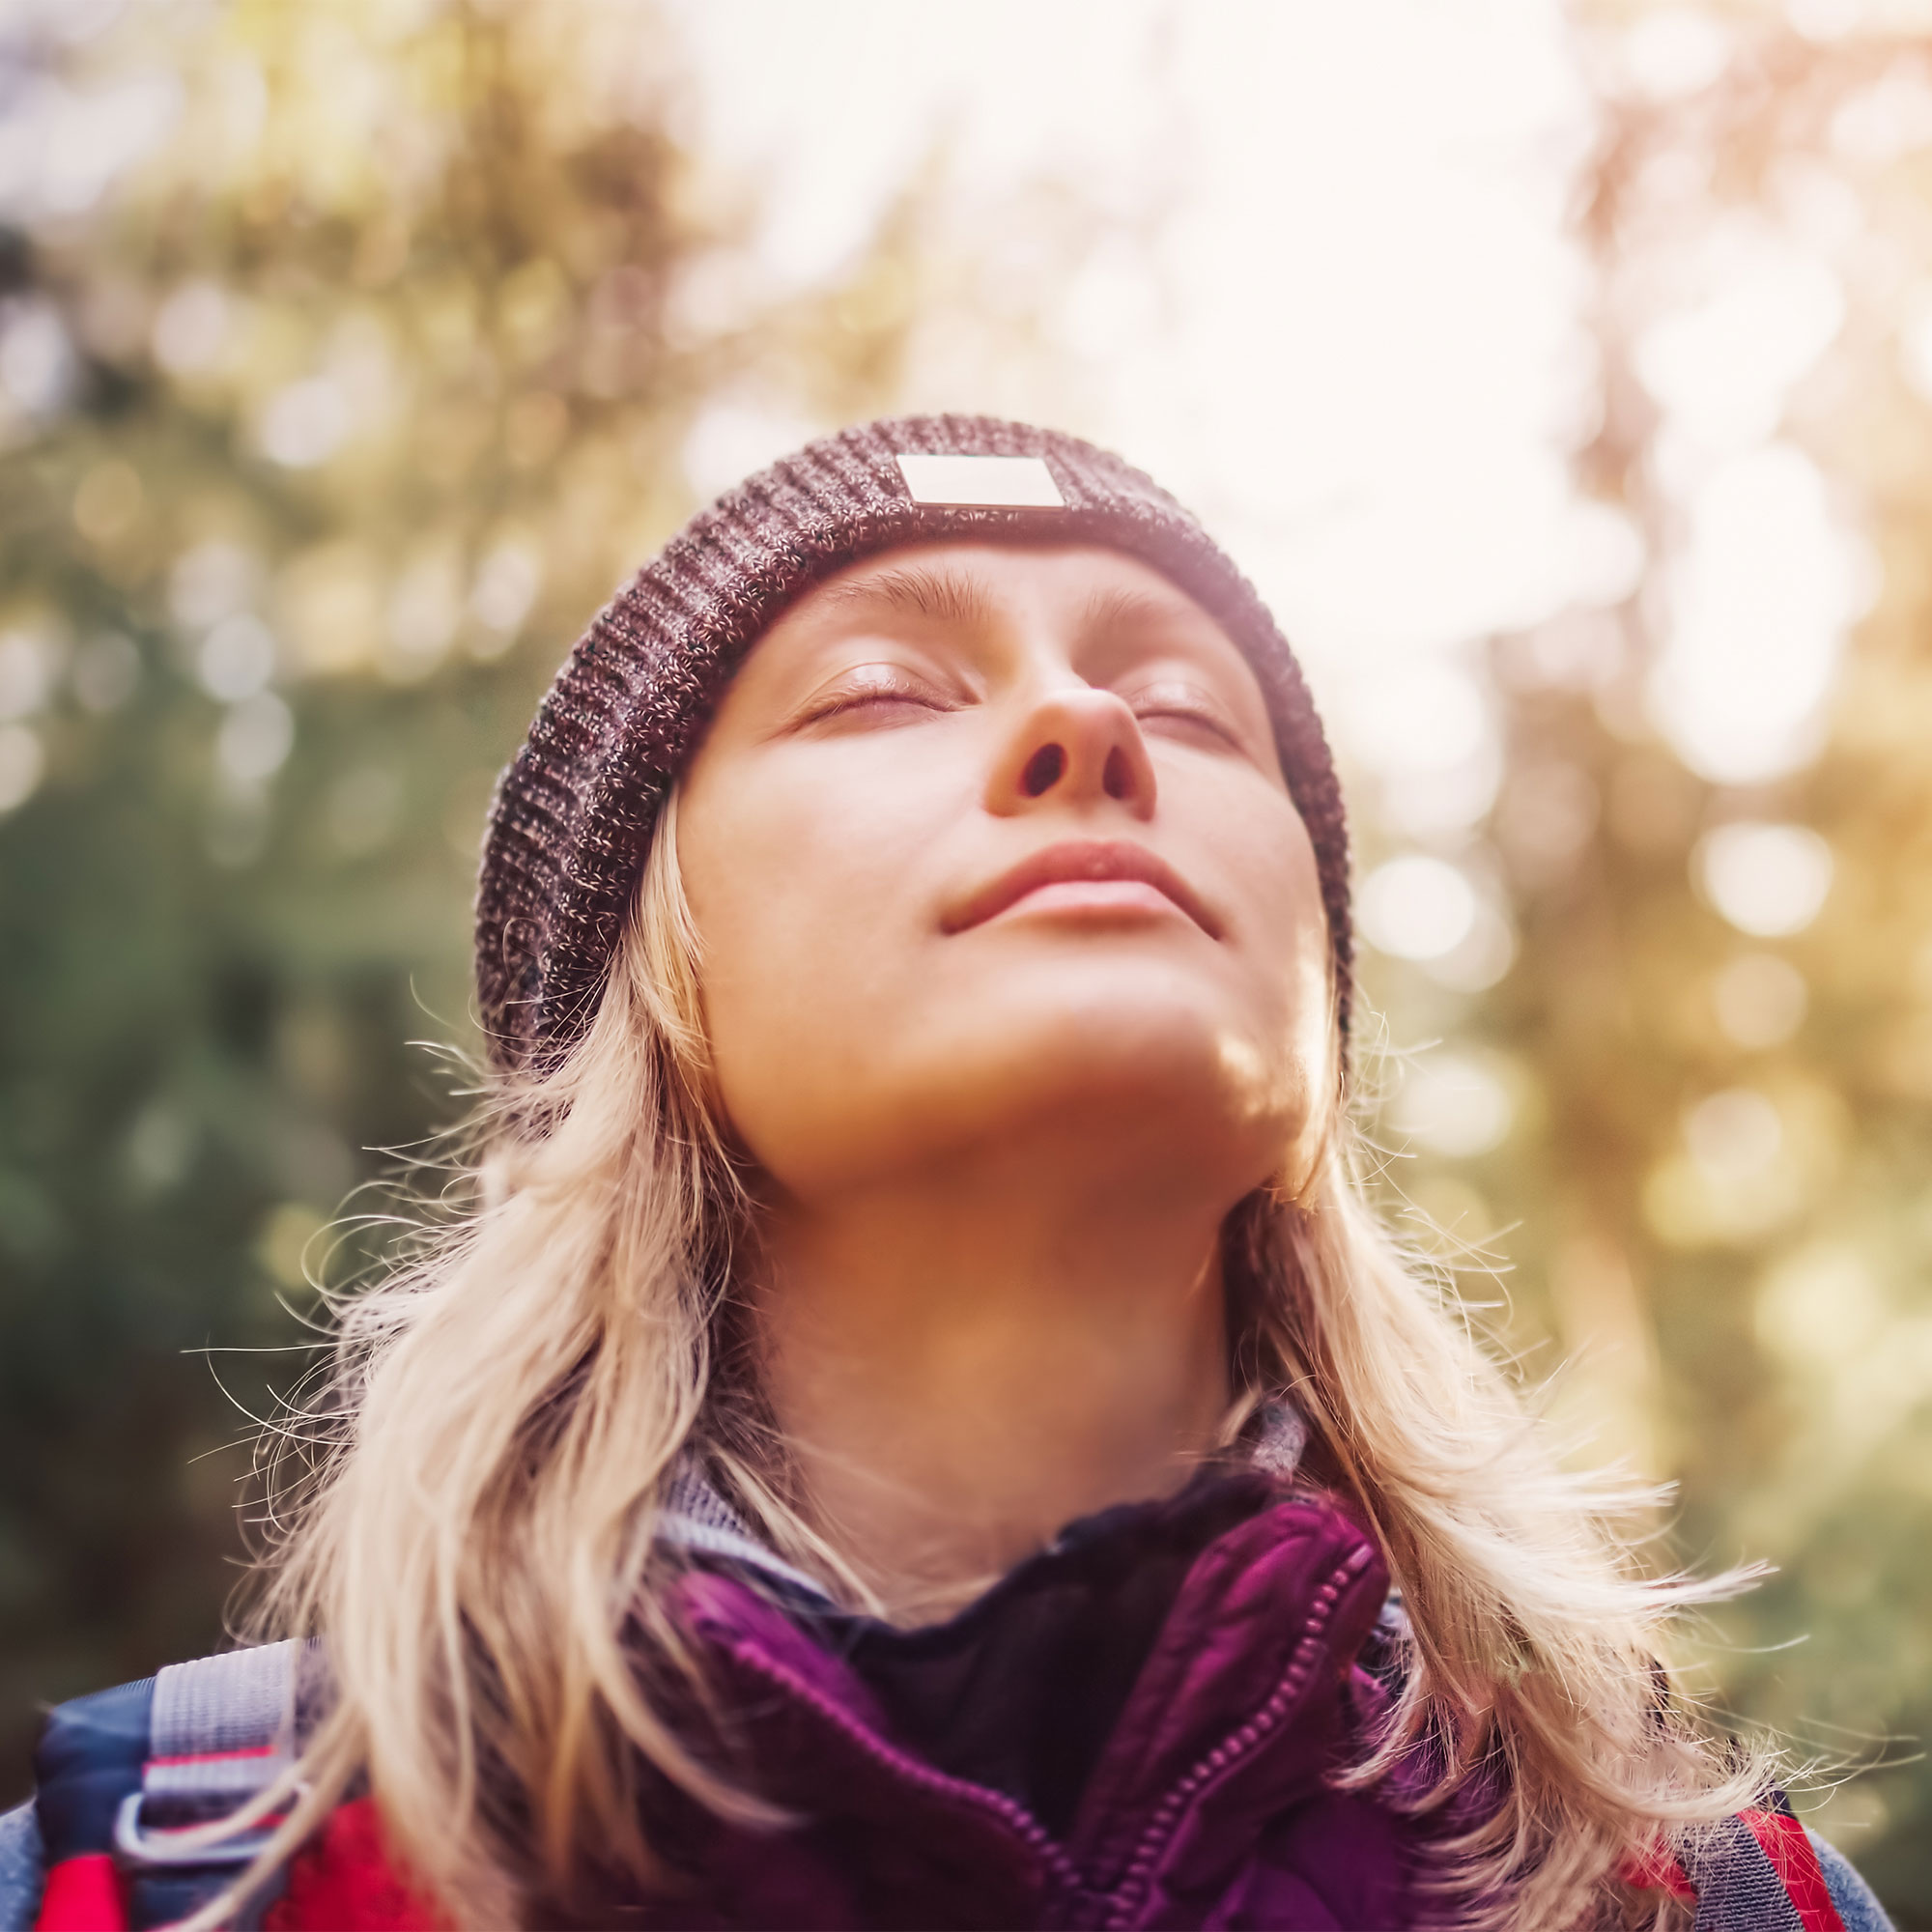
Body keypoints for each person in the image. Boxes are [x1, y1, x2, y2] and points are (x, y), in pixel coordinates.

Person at [0, 418, 1891, 1932]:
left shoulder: (1685, 1891)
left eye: (1195, 710)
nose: (1088, 731)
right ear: (643, 997)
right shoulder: (168, 1883)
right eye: (884, 691)